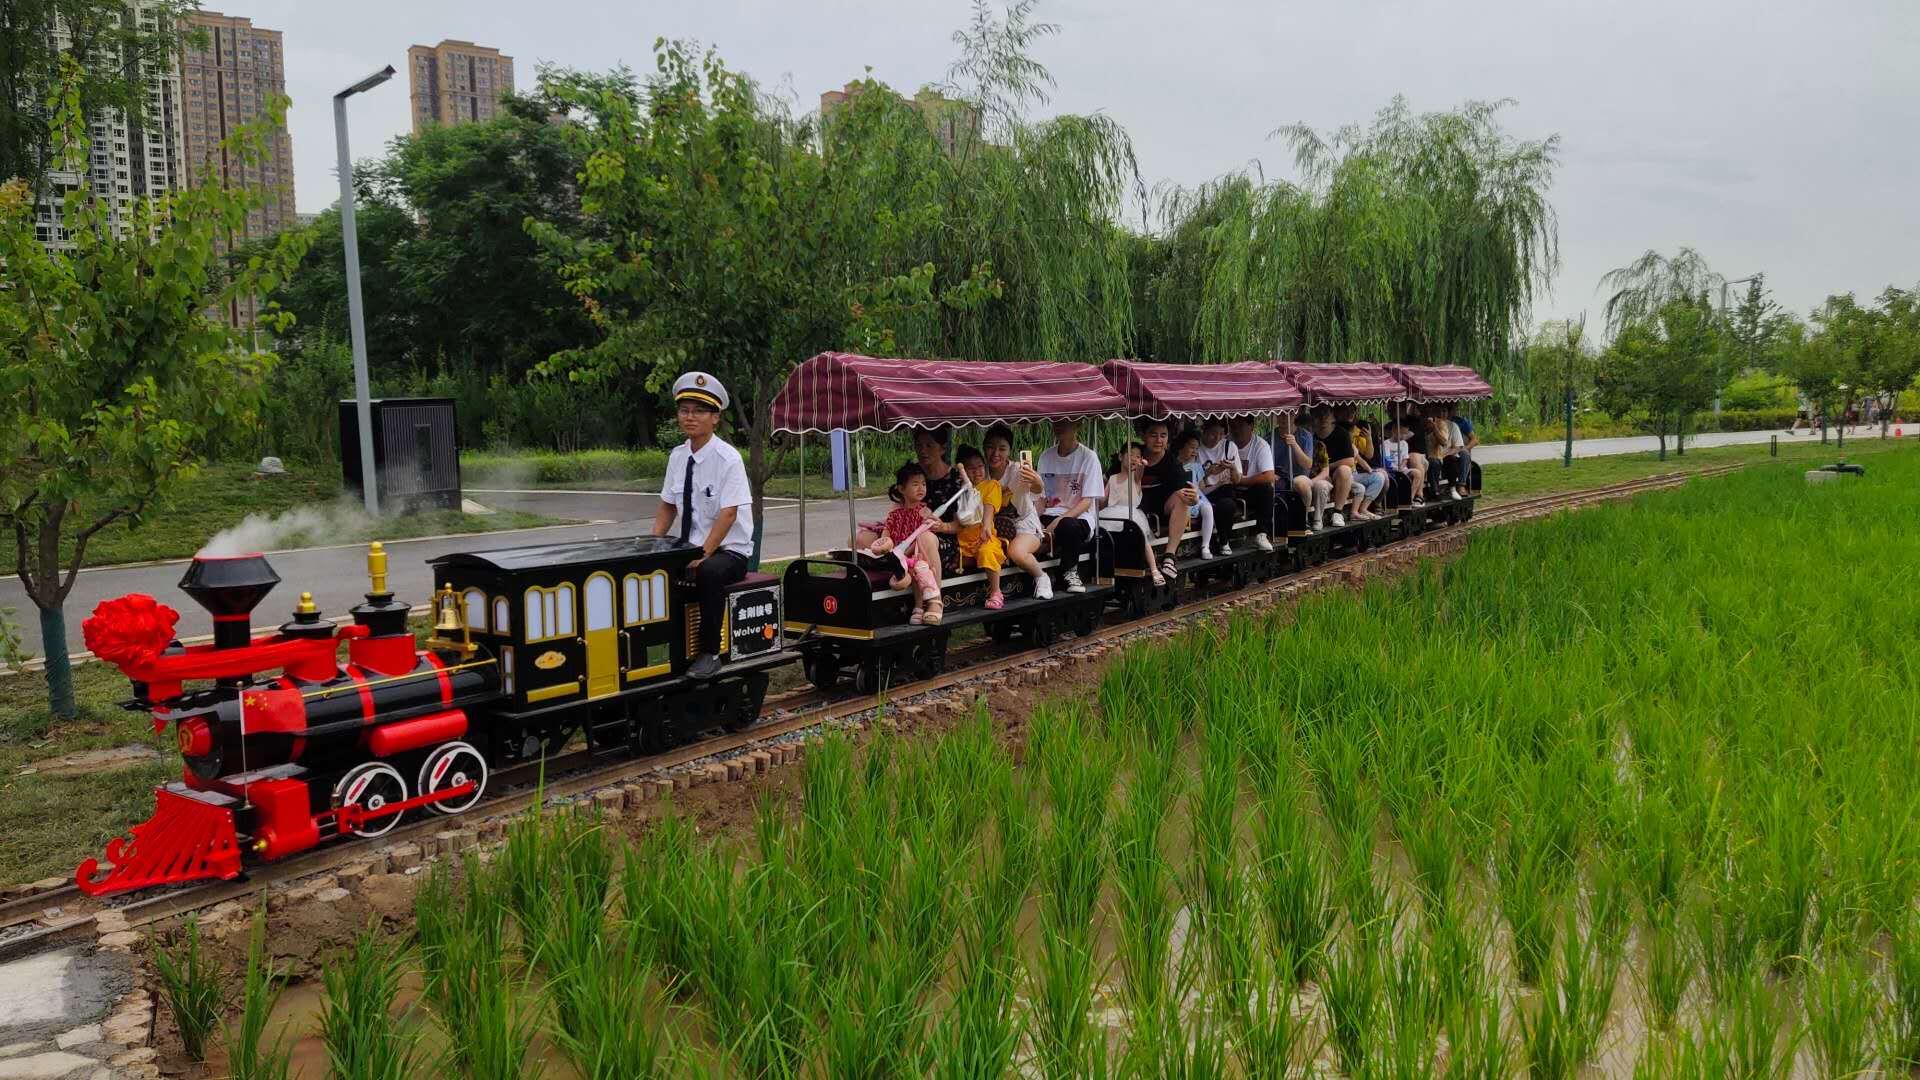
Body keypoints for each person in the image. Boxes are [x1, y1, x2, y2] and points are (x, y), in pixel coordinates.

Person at [653, 372, 753, 680]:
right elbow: (669, 505)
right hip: (690, 546)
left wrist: (705, 553)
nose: (690, 417)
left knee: (707, 573)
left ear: (715, 418)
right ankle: (664, 650)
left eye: (698, 411)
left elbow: (728, 515)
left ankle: (709, 653)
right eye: (684, 410)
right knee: (649, 571)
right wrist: (651, 545)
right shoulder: (677, 456)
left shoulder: (728, 459)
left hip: (728, 551)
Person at [866, 462, 946, 625]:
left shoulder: (925, 511)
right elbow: (886, 535)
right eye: (915, 484)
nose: (921, 488)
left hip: (914, 553)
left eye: (923, 484)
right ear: (901, 489)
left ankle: (920, 606)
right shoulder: (894, 513)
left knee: (918, 567)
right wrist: (886, 548)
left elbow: (920, 538)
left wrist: (904, 554)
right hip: (897, 555)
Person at [983, 424, 1052, 600]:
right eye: (990, 447)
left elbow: (1037, 490)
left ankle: (1042, 577)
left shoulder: (1018, 470)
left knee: (1016, 553)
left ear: (1009, 451)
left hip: (1023, 524)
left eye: (1002, 448)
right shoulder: (981, 473)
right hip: (993, 527)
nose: (995, 453)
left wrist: (1037, 481)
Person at [1038, 418, 1103, 593]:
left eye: (1066, 422)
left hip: (1078, 517)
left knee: (1068, 526)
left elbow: (1087, 501)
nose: (1059, 425)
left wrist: (1058, 521)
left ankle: (1070, 571)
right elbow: (1042, 497)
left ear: (1078, 424)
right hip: (1050, 514)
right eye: (1056, 421)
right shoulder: (1046, 456)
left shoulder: (1089, 457)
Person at [1100, 442, 1166, 587]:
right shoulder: (1112, 478)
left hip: (1131, 513)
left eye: (1137, 456)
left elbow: (1140, 470)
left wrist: (1142, 464)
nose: (1134, 458)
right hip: (1111, 514)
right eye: (1131, 455)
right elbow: (1104, 500)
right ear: (1120, 457)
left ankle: (1154, 569)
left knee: (1142, 536)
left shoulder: (1136, 477)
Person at [1137, 418, 1196, 581]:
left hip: (1161, 511)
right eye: (1153, 435)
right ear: (1143, 436)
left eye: (1163, 436)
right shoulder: (1134, 454)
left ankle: (1169, 556)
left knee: (1183, 497)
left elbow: (1186, 491)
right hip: (1134, 508)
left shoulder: (1172, 463)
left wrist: (1194, 499)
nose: (1158, 440)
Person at [954, 446, 1007, 609]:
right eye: (971, 468)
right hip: (963, 539)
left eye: (980, 466)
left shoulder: (992, 485)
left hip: (985, 536)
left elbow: (989, 505)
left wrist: (985, 526)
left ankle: (996, 592)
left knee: (987, 551)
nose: (977, 471)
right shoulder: (960, 491)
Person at [1227, 416, 1278, 551]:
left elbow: (1269, 476)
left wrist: (1241, 480)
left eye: (1240, 426)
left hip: (1250, 491)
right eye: (1233, 426)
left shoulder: (1260, 445)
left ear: (1251, 426)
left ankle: (1261, 533)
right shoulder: (1226, 443)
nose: (1236, 430)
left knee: (1266, 489)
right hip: (1228, 488)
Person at [1172, 428, 1222, 558]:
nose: (1195, 451)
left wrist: (1219, 484)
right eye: (1191, 448)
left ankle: (1205, 545)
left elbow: (1202, 489)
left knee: (1207, 508)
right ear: (1181, 447)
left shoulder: (1197, 466)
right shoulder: (1174, 465)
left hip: (1198, 498)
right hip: (1182, 497)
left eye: (1196, 448)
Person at [1195, 418, 1242, 539]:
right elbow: (1193, 481)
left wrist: (1232, 468)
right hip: (1204, 492)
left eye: (1221, 434)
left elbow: (1237, 480)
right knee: (1224, 501)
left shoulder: (1229, 446)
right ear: (1203, 431)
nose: (1217, 438)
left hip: (1225, 491)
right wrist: (1208, 472)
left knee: (1228, 502)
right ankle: (1223, 541)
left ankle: (1223, 541)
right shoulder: (1196, 448)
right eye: (1213, 434)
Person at [1314, 408, 1354, 528]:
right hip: (1315, 473)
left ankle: (1338, 512)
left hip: (1334, 473)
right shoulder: (1310, 435)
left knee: (1345, 470)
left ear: (1333, 416)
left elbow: (1350, 460)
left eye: (1326, 414)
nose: (1323, 418)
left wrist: (1326, 467)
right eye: (1319, 414)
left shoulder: (1342, 434)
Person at [1382, 419, 1426, 507]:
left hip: (1402, 469)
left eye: (1405, 434)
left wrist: (1401, 467)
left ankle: (1410, 498)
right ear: (1394, 430)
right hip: (1390, 470)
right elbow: (1386, 459)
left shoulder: (1404, 444)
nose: (1403, 436)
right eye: (1401, 433)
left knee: (1418, 473)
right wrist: (1394, 468)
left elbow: (1405, 459)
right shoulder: (1386, 443)